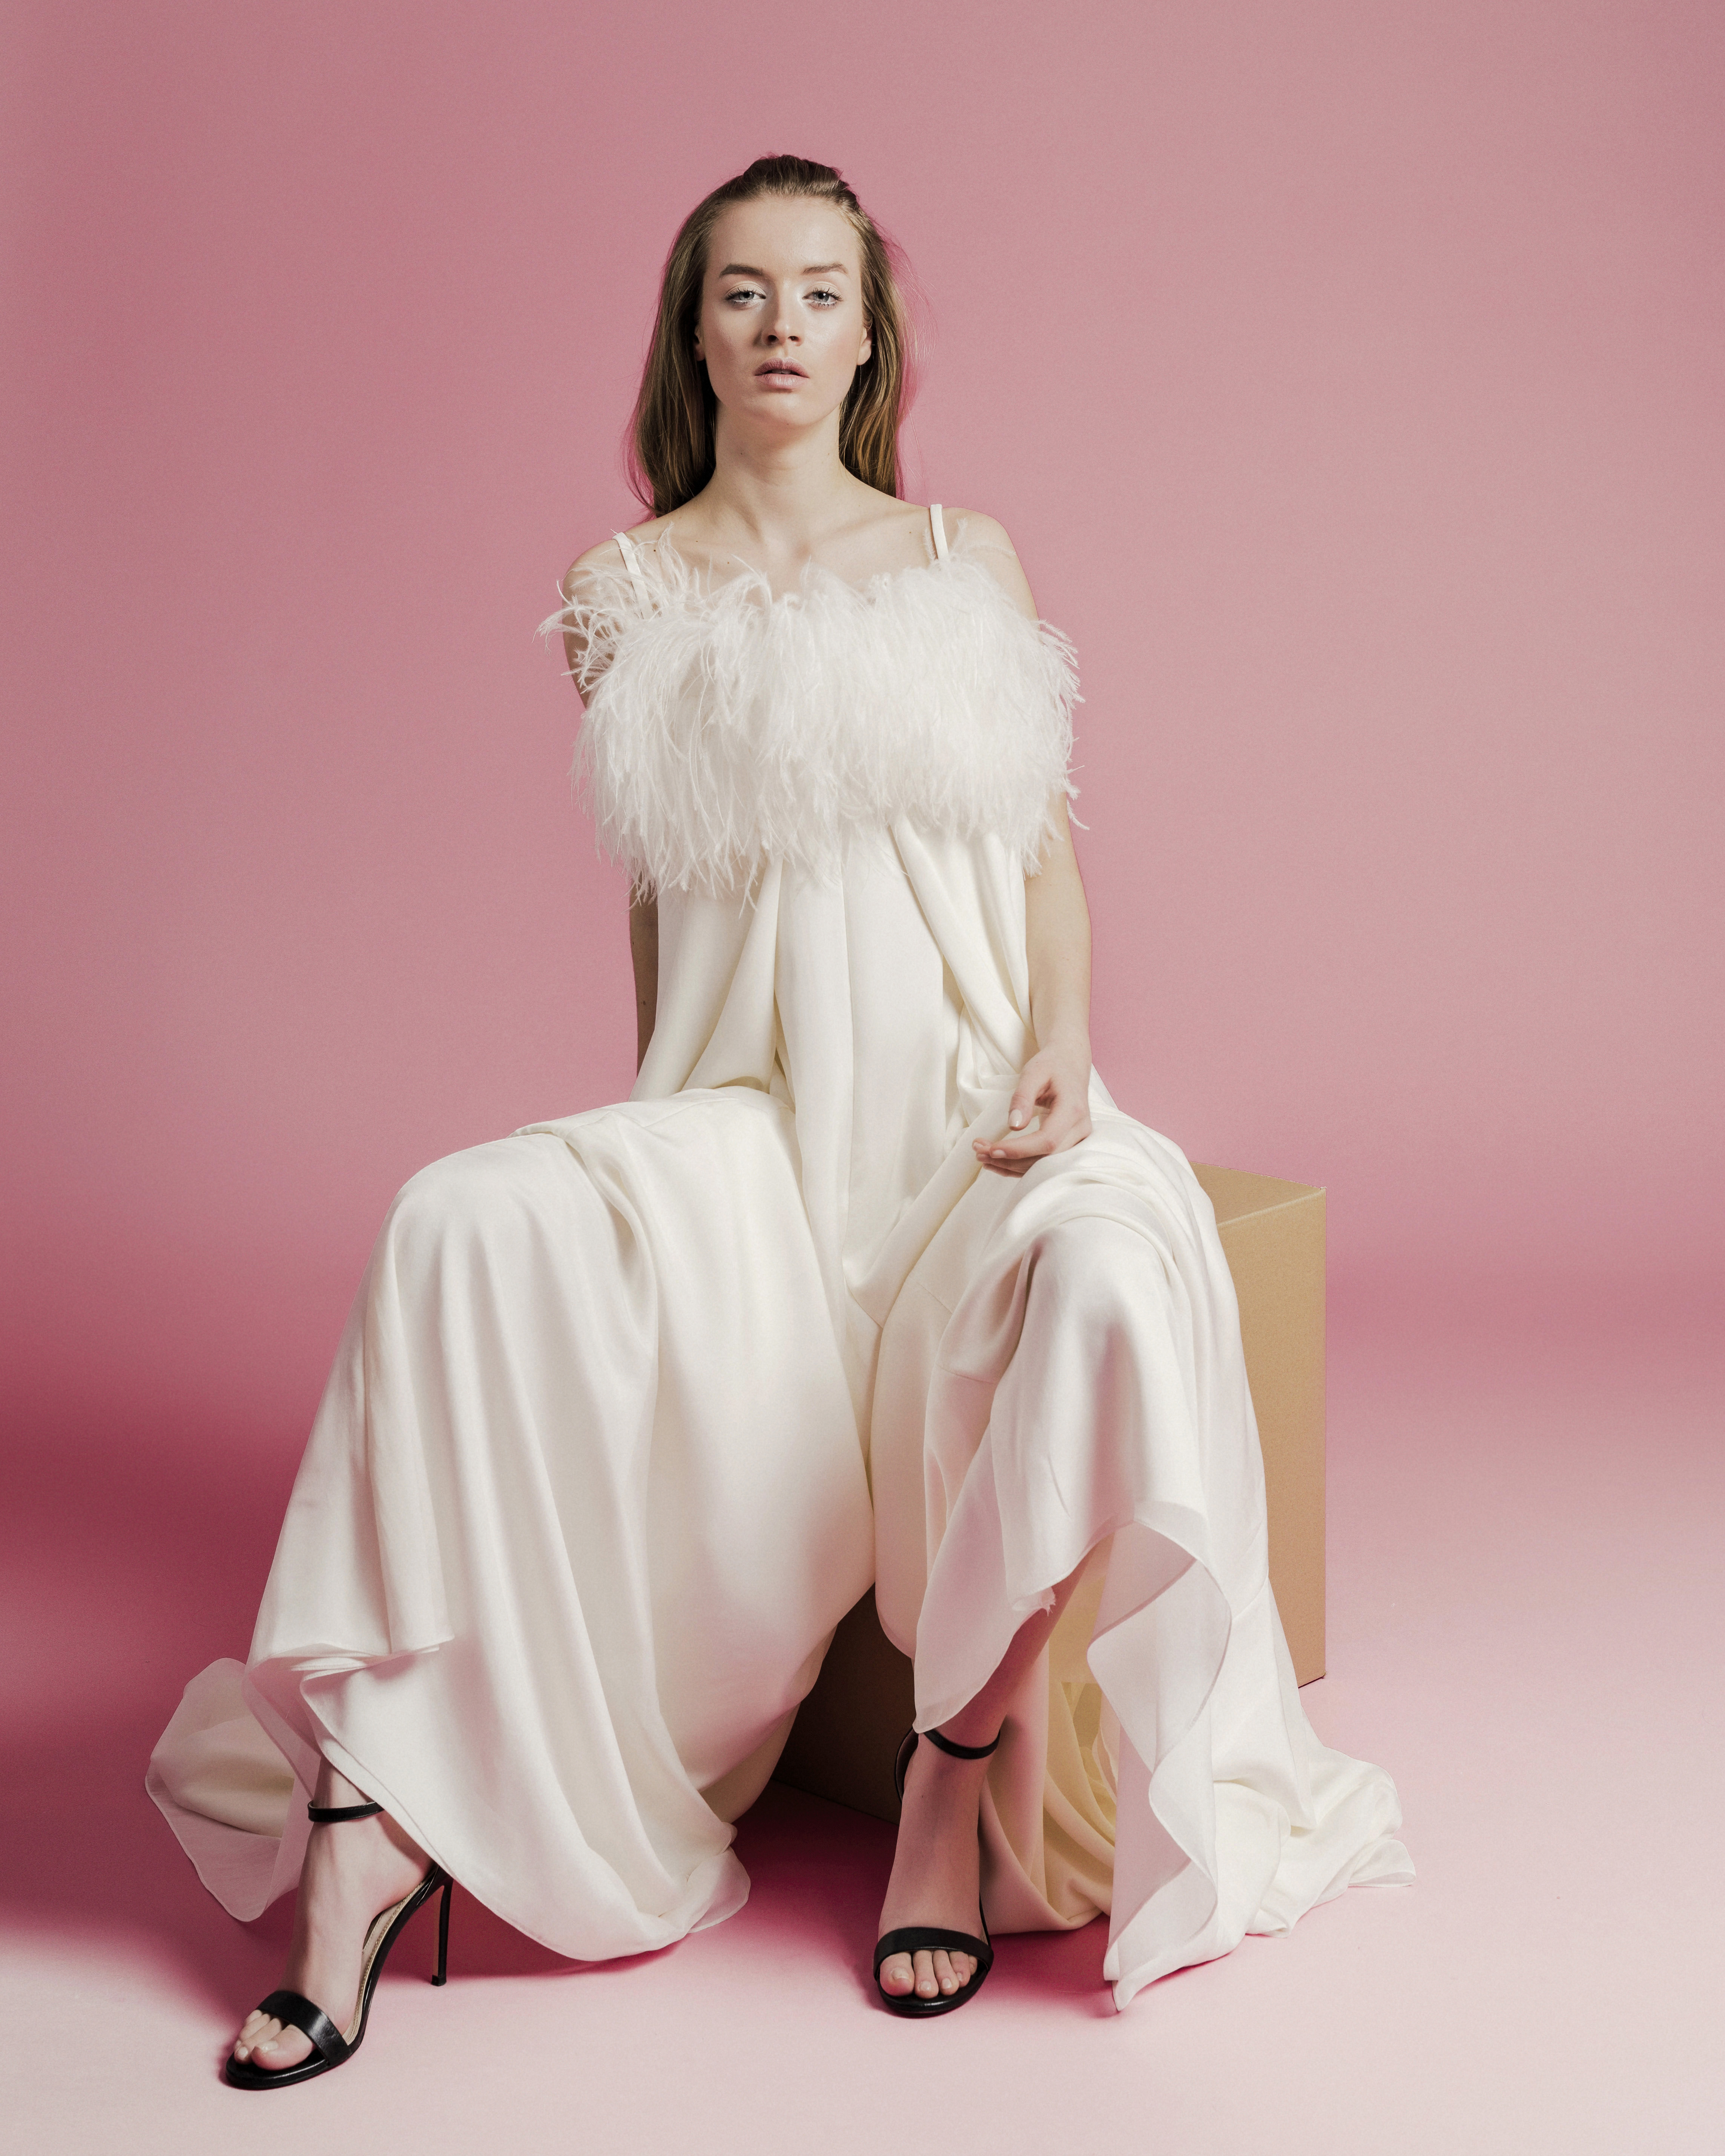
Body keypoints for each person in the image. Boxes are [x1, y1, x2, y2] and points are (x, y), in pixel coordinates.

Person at [149, 153, 1411, 2088]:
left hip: (977, 1113)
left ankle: (951, 1767)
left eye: (822, 292)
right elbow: (664, 903)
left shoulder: (963, 556)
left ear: (869, 335)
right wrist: (656, 1141)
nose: (783, 326)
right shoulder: (619, 589)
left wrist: (1065, 1040)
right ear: (692, 331)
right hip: (747, 1119)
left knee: (1107, 1280)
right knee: (453, 1219)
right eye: (743, 291)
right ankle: (368, 1820)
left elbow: (1040, 854)